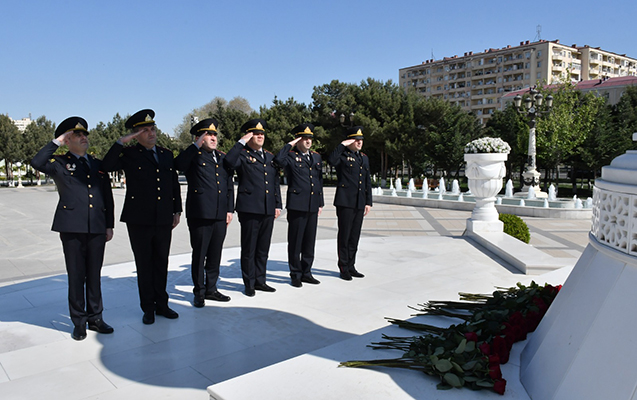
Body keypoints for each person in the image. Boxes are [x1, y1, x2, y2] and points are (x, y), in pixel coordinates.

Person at [31, 116, 115, 340]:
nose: (83, 137)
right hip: (72, 227)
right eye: (77, 134)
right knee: (76, 276)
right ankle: (78, 322)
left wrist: (109, 225)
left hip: (97, 226)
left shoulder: (97, 164)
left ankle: (96, 318)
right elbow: (37, 162)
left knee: (94, 275)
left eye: (84, 134)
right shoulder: (59, 163)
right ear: (67, 140)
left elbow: (107, 197)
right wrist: (57, 141)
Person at [101, 109, 182, 324]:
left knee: (161, 262)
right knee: (144, 264)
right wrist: (120, 142)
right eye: (144, 130)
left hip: (163, 217)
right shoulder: (129, 154)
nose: (151, 133)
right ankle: (148, 308)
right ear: (136, 135)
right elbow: (106, 166)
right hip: (139, 219)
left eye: (152, 129)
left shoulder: (165, 154)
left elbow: (173, 183)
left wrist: (177, 210)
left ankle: (162, 304)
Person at [174, 118, 234, 308]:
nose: (213, 138)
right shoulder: (193, 155)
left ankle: (211, 289)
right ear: (199, 137)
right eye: (209, 135)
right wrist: (195, 146)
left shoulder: (222, 157)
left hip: (220, 214)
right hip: (200, 214)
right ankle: (199, 292)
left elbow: (229, 185)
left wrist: (229, 209)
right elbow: (178, 165)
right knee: (200, 254)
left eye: (215, 134)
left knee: (215, 254)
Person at [224, 119, 282, 297]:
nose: (260, 136)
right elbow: (228, 162)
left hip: (267, 208)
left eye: (262, 134)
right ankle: (249, 283)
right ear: (248, 136)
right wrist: (241, 142)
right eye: (255, 134)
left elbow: (275, 182)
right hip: (249, 208)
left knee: (263, 248)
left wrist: (278, 204)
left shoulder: (270, 157)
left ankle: (260, 280)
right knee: (249, 248)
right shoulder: (242, 155)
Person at [275, 123, 324, 287]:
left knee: (309, 241)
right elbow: (278, 160)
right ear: (298, 140)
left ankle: (307, 272)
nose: (308, 141)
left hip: (312, 204)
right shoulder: (290, 156)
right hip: (297, 205)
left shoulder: (316, 157)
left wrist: (320, 202)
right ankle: (295, 274)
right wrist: (290, 144)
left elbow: (319, 180)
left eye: (310, 138)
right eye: (304, 138)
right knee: (296, 242)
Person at [327, 126, 372, 280]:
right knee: (345, 236)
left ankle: (351, 265)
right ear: (349, 141)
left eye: (361, 140)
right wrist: (342, 145)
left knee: (354, 236)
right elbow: (331, 160)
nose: (359, 142)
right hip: (345, 202)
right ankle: (343, 267)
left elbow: (367, 181)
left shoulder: (364, 158)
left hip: (359, 202)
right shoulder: (342, 155)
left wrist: (368, 202)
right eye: (356, 140)